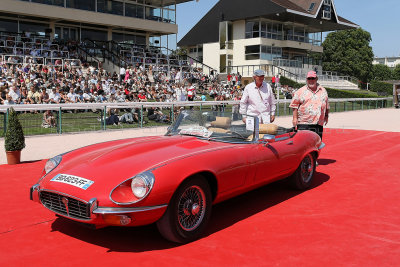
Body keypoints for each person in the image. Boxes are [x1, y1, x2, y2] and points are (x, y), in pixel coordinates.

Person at [289, 70, 329, 139]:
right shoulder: (300, 91)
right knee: (303, 144)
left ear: (316, 79)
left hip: (318, 123)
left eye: (313, 78)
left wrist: (326, 116)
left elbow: (326, 104)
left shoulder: (323, 90)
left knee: (317, 144)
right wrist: (294, 118)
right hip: (304, 123)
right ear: (306, 79)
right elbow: (294, 105)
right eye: (309, 78)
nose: (311, 80)